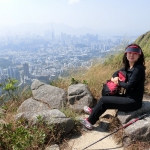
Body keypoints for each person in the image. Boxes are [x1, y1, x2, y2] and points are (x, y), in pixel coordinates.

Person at [80, 43, 146, 130]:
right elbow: (117, 72)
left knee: (104, 100)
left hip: (133, 102)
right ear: (126, 54)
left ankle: (89, 122)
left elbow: (129, 86)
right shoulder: (129, 66)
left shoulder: (138, 69)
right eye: (129, 53)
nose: (132, 55)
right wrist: (115, 77)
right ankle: (94, 111)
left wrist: (117, 81)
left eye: (135, 53)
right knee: (108, 94)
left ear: (139, 55)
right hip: (128, 97)